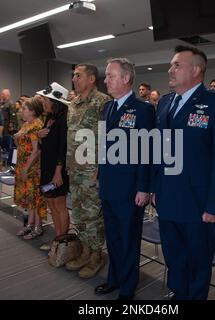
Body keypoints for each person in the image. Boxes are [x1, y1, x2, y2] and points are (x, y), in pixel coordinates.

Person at [152, 45, 215, 300]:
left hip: (199, 203)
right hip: (167, 198)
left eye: (177, 65)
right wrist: (156, 187)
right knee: (174, 256)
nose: (170, 69)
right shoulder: (166, 103)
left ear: (197, 70)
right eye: (171, 65)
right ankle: (179, 293)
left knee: (198, 261)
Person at [95, 58, 155, 300]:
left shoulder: (143, 110)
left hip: (131, 189)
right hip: (109, 185)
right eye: (106, 76)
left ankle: (128, 287)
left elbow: (148, 152)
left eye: (110, 75)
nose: (106, 80)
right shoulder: (107, 108)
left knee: (129, 239)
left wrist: (144, 187)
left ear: (126, 78)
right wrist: (99, 171)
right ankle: (114, 279)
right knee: (113, 237)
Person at [65, 63, 111, 279]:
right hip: (74, 169)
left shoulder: (102, 102)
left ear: (92, 78)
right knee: (78, 212)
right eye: (73, 75)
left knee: (93, 215)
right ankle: (85, 250)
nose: (74, 78)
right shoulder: (73, 104)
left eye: (78, 75)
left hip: (91, 170)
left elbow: (107, 138)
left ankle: (97, 255)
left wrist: (101, 168)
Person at [36, 83, 72, 255]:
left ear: (54, 101)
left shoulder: (64, 118)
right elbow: (46, 144)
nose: (42, 102)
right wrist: (40, 136)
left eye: (45, 99)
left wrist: (58, 172)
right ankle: (57, 239)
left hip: (58, 170)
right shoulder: (48, 117)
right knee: (51, 202)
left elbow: (63, 148)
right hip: (47, 167)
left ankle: (62, 242)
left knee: (59, 204)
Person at [14, 98, 47, 239]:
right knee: (29, 197)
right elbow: (20, 143)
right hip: (23, 164)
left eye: (24, 109)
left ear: (33, 111)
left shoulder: (36, 125)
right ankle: (30, 224)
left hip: (33, 167)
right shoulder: (26, 124)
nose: (22, 111)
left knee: (36, 197)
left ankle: (38, 227)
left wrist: (26, 168)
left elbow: (36, 150)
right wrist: (16, 137)